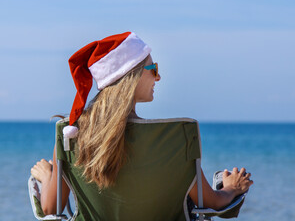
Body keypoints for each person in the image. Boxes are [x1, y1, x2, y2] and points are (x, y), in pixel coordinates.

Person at [31, 32, 253, 216]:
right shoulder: (172, 139)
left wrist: (49, 175)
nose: (158, 77)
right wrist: (233, 187)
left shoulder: (73, 135)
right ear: (132, 78)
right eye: (153, 69)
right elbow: (211, 201)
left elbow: (51, 210)